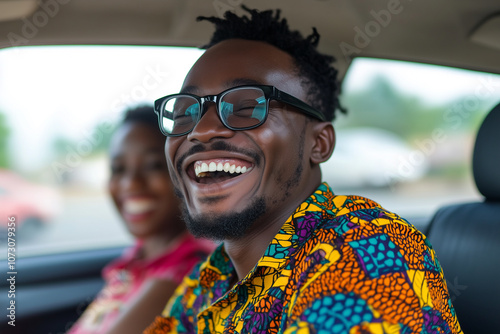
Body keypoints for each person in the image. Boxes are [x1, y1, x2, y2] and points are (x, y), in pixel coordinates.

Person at [144, 7, 462, 334]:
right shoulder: (211, 277)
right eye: (185, 111)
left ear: (319, 143)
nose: (202, 130)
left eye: (246, 107)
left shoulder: (366, 248)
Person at [68, 106, 214, 334]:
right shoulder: (137, 259)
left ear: (188, 172)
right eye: (118, 169)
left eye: (153, 165)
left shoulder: (183, 275)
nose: (131, 184)